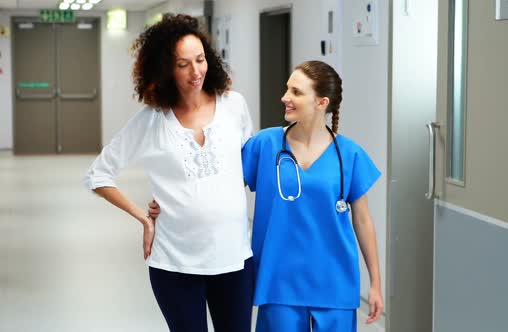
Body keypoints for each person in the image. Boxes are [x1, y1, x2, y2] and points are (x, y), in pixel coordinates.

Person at [83, 14, 254, 332]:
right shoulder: (151, 121)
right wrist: (143, 217)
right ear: (165, 69)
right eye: (183, 64)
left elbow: (243, 168)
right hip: (175, 263)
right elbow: (98, 175)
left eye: (200, 59)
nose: (196, 71)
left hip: (234, 259)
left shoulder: (234, 106)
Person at [241, 60, 384, 331]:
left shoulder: (349, 154)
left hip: (334, 281)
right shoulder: (265, 144)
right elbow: (223, 189)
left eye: (296, 92)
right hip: (278, 280)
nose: (285, 98)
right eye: (287, 89)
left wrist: (375, 283)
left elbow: (363, 221)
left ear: (321, 102)